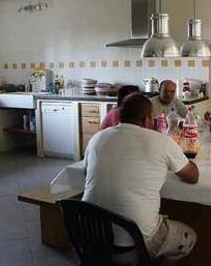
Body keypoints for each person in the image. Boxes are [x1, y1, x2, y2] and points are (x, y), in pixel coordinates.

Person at [83, 93, 199, 263]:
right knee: (189, 237)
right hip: (133, 243)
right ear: (146, 120)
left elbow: (87, 176)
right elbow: (192, 177)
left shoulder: (97, 138)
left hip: (89, 234)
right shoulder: (162, 142)